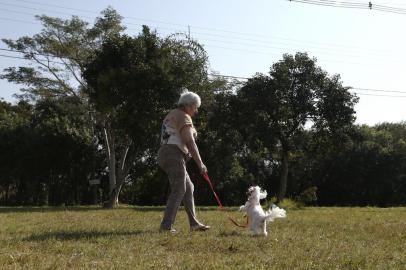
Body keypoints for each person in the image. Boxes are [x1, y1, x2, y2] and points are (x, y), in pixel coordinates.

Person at [158, 91, 210, 233]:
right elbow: (190, 141)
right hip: (173, 153)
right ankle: (166, 227)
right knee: (179, 189)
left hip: (166, 153)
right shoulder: (183, 116)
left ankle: (194, 223)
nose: (196, 110)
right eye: (195, 107)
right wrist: (200, 164)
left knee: (188, 188)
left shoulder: (172, 114)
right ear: (188, 106)